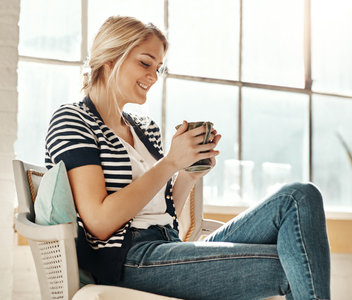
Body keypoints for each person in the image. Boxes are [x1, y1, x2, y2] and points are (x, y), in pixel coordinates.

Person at [45, 16, 330, 300]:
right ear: (109, 59)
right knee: (295, 263)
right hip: (127, 260)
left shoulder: (144, 129)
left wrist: (187, 174)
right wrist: (169, 162)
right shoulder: (73, 120)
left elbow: (164, 216)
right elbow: (100, 222)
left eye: (158, 68)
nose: (154, 76)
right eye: (145, 63)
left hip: (165, 245)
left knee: (300, 196)